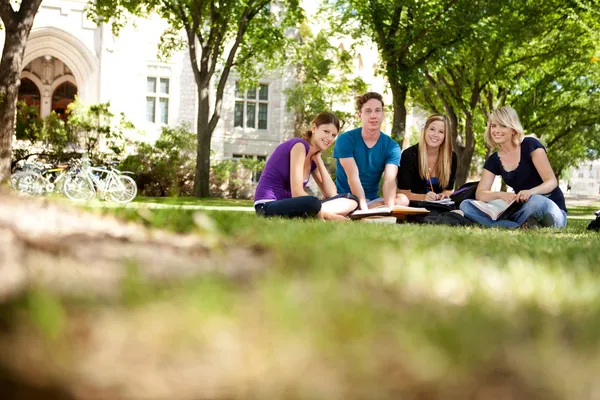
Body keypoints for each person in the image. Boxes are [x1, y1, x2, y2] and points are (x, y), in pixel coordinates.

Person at [460, 106, 567, 228]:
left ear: (513, 129)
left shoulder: (530, 144)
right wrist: (501, 195)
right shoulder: (494, 159)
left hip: (550, 207)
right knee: (466, 205)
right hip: (521, 208)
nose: (496, 130)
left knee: (536, 202)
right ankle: (517, 224)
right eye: (493, 126)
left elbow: (551, 182)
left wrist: (530, 192)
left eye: (503, 126)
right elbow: (480, 194)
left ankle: (509, 223)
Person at [254, 111, 359, 220]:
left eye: (333, 135)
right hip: (268, 206)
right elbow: (297, 193)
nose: (329, 138)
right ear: (314, 128)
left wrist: (319, 161)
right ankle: (328, 216)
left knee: (352, 199)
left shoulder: (313, 159)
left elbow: (332, 193)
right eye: (326, 131)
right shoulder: (299, 146)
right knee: (312, 202)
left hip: (292, 207)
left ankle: (315, 213)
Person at [333, 92, 409, 210]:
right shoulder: (345, 139)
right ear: (360, 115)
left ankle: (367, 211)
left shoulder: (392, 146)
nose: (373, 115)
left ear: (383, 114)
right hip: (347, 198)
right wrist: (363, 208)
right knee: (351, 204)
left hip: (373, 200)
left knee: (403, 200)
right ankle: (360, 210)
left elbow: (389, 180)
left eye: (377, 110)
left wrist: (389, 208)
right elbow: (353, 178)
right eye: (368, 111)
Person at [397, 114, 457, 201]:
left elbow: (449, 190)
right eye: (432, 129)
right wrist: (423, 197)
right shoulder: (409, 155)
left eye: (441, 132)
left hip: (440, 208)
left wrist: (443, 195)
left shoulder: (451, 157)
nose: (435, 135)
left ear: (445, 136)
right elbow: (403, 193)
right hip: (415, 208)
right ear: (425, 130)